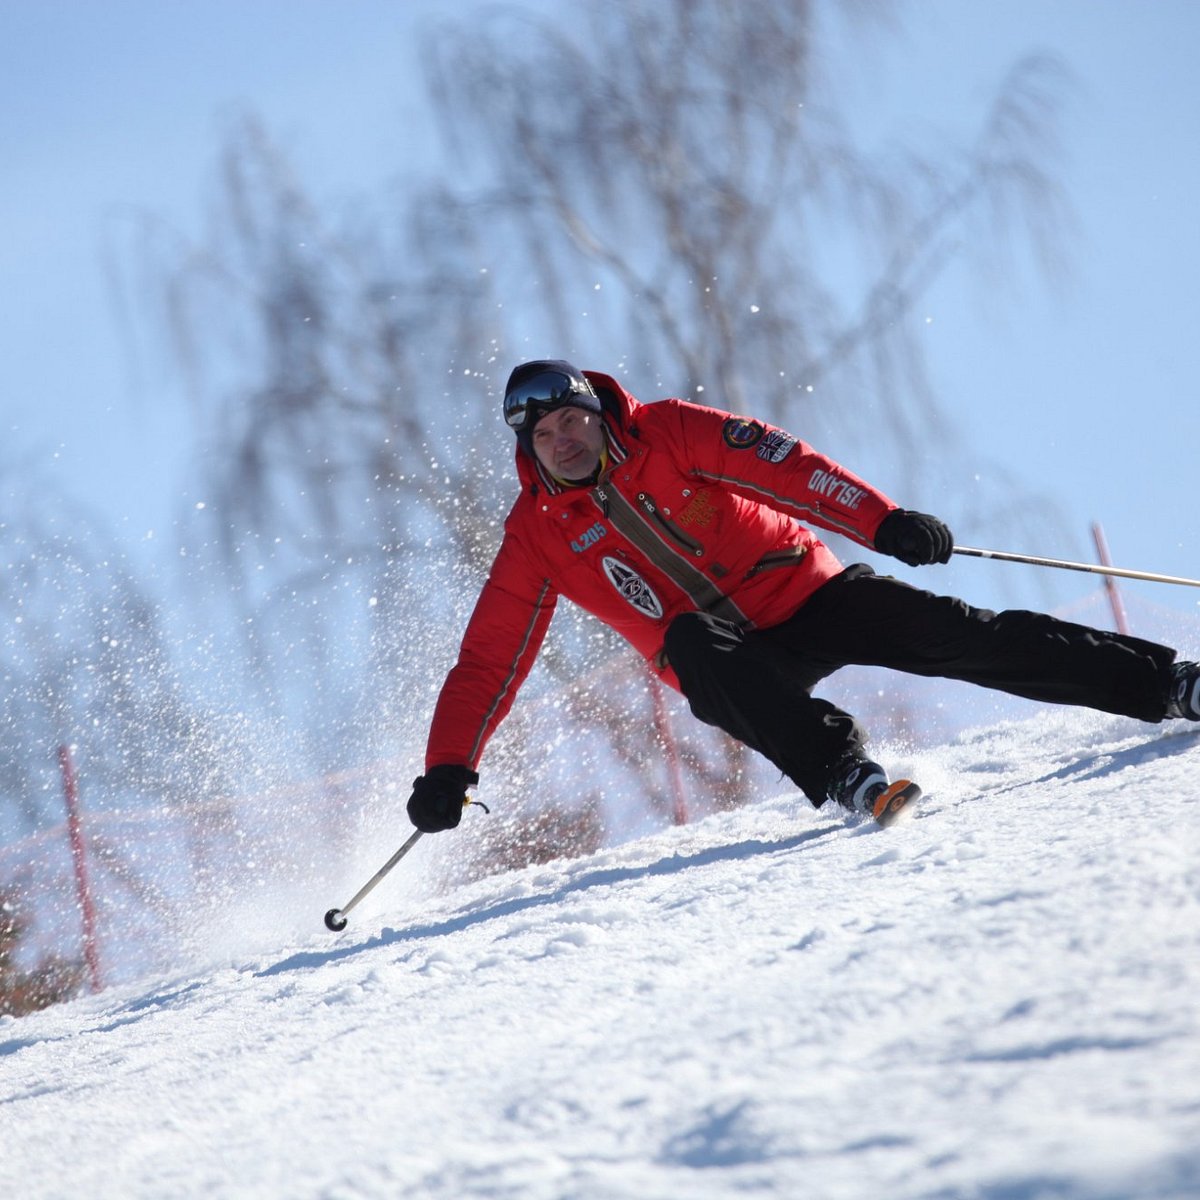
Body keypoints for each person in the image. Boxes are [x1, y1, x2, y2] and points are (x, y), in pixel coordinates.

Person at [407, 359, 1200, 831]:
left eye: (573, 421)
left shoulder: (671, 431)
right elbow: (487, 661)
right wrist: (448, 769)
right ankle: (847, 773)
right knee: (687, 647)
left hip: (806, 594)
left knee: (960, 633)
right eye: (544, 437)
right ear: (530, 451)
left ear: (597, 410)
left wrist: (883, 523)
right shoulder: (535, 533)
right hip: (729, 658)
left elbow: (785, 468)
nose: (564, 442)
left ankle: (1169, 684)